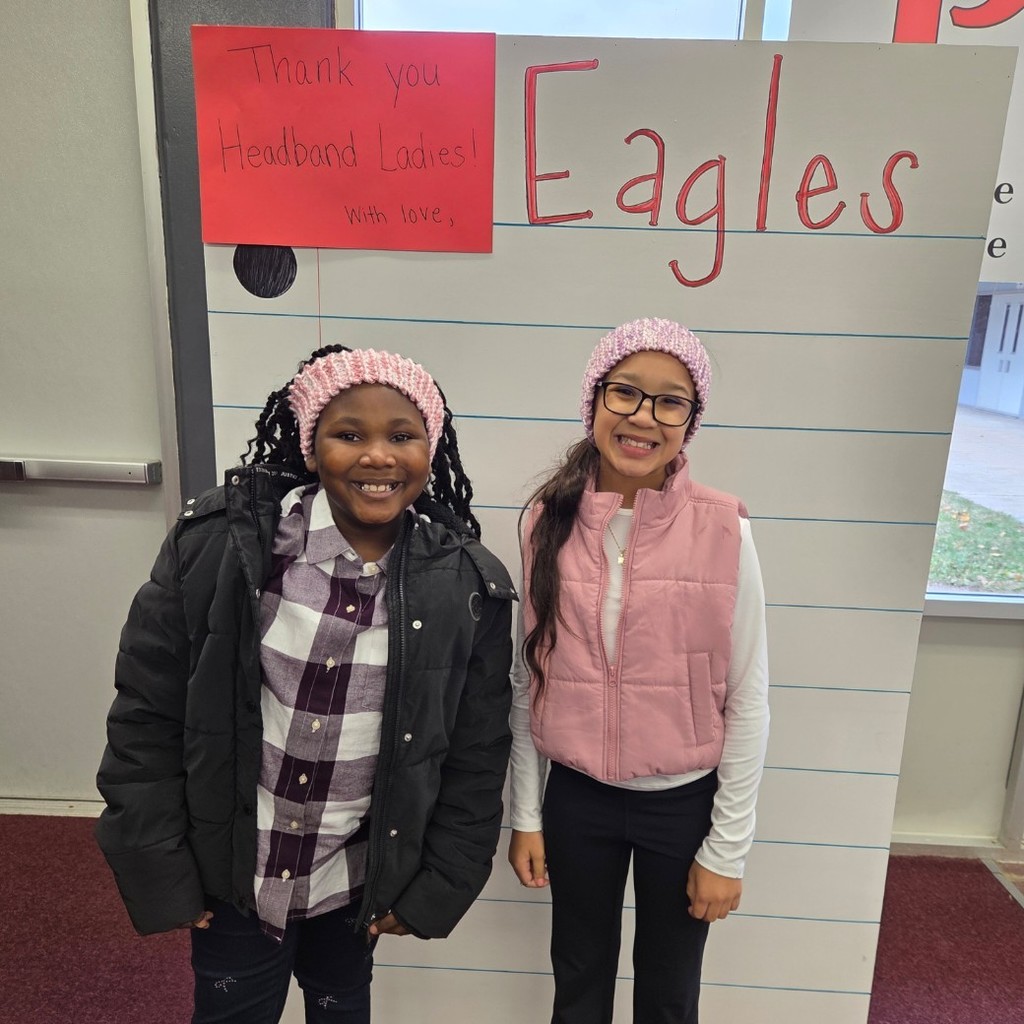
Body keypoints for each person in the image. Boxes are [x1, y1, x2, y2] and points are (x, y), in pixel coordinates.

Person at [96, 345, 515, 1024]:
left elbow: (475, 753)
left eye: (402, 436)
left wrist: (438, 886)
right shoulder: (218, 551)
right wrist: (160, 869)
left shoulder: (467, 586)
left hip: (355, 886)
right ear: (310, 446)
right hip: (234, 877)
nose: (377, 456)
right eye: (349, 434)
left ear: (430, 451)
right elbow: (147, 715)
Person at [507, 318, 769, 1024]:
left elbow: (748, 699)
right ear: (593, 401)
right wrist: (526, 814)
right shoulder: (545, 522)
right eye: (625, 393)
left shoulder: (725, 531)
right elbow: (526, 678)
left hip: (682, 805)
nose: (643, 417)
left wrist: (728, 850)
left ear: (691, 421)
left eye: (670, 401)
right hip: (578, 800)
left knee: (668, 990)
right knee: (579, 979)